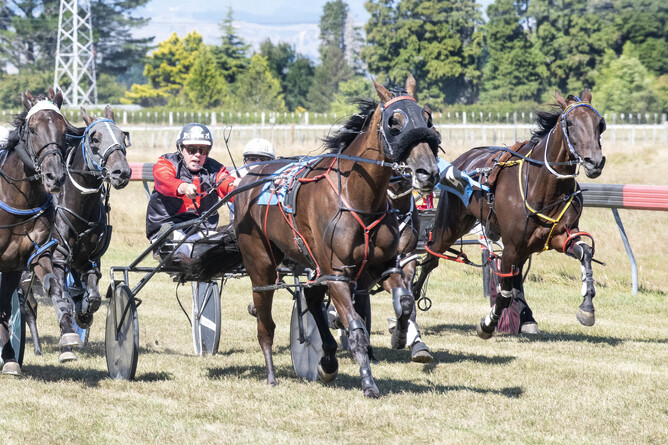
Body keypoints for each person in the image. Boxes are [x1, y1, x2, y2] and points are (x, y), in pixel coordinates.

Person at [146, 123, 239, 259]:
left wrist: (240, 187)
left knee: (228, 244)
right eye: (191, 149)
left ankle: (206, 276)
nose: (197, 155)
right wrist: (183, 187)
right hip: (167, 229)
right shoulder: (166, 163)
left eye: (203, 150)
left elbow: (226, 184)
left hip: (201, 231)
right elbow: (165, 180)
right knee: (187, 246)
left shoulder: (215, 170)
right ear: (181, 148)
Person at [228, 137, 276, 220]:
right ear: (245, 160)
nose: (258, 163)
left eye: (263, 159)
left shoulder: (277, 177)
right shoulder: (235, 176)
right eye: (252, 159)